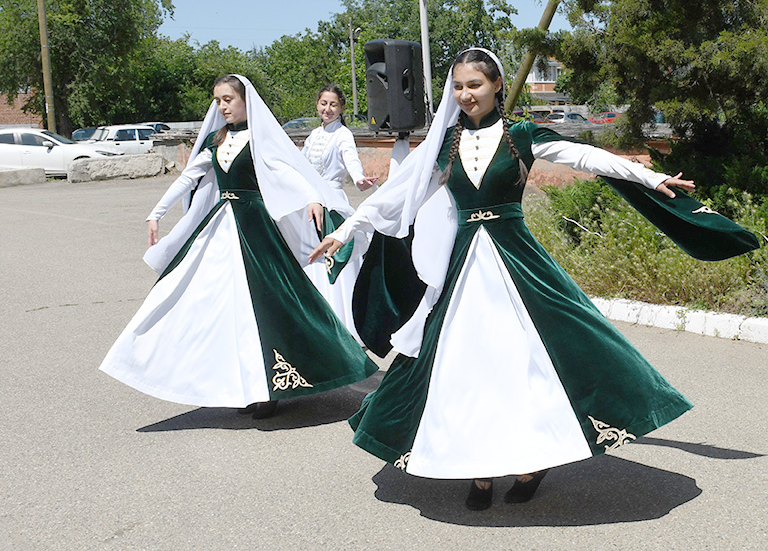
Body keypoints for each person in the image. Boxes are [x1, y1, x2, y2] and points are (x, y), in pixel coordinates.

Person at [311, 48, 760, 510]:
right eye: (459, 86)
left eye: (475, 85)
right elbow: (394, 195)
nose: (466, 95)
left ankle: (532, 460)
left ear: (497, 85)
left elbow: (585, 157)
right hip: (464, 265)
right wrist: (346, 231)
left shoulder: (521, 135)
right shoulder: (443, 144)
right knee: (465, 364)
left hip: (518, 258)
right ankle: (479, 469)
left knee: (535, 359)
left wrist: (649, 177)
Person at [101, 74, 378, 419]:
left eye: (228, 99)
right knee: (212, 301)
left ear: (246, 101)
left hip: (257, 228)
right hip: (222, 227)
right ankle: (236, 383)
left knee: (269, 304)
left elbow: (287, 171)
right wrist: (155, 213)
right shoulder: (216, 144)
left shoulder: (260, 141)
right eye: (218, 100)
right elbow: (189, 177)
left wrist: (312, 197)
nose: (222, 106)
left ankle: (270, 388)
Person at [301, 85, 377, 343]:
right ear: (317, 104)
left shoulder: (343, 134)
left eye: (333, 104)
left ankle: (343, 322)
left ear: (341, 107)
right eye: (323, 103)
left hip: (332, 201)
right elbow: (300, 166)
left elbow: (351, 159)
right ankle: (315, 321)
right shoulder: (312, 135)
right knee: (310, 259)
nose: (327, 109)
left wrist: (358, 180)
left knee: (335, 260)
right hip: (309, 203)